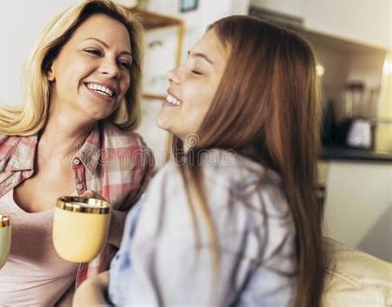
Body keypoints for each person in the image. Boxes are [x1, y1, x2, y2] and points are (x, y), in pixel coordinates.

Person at [73, 15, 327, 307]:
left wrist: (86, 295)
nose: (172, 74)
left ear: (246, 98)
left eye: (196, 70)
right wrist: (105, 269)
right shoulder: (253, 182)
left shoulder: (209, 182)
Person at [0, 0, 153, 306]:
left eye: (124, 63)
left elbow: (152, 249)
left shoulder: (130, 158)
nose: (112, 70)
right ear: (50, 64)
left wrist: (110, 224)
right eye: (94, 51)